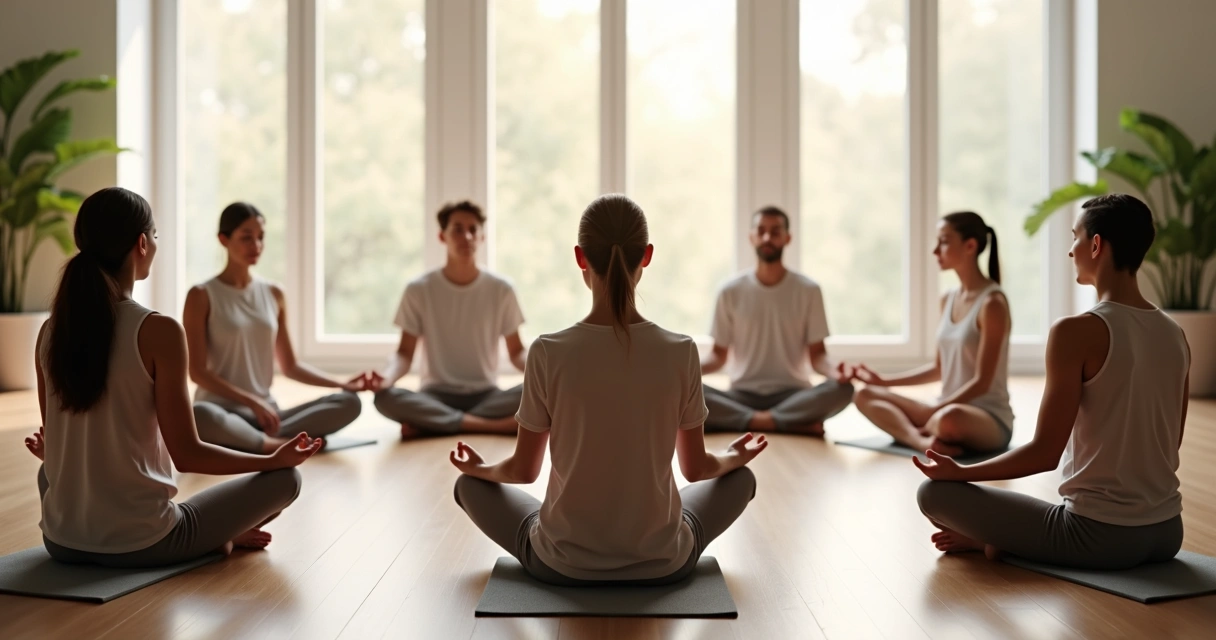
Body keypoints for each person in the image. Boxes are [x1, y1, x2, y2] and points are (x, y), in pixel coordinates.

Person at [449, 194, 766, 585]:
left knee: (468, 486)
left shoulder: (548, 351)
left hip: (561, 564)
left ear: (581, 257)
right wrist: (734, 455)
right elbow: (697, 468)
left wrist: (478, 468)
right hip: (664, 562)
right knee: (743, 478)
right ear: (646, 256)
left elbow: (523, 470)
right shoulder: (681, 351)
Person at [25, 187, 322, 569]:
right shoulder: (158, 330)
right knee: (286, 480)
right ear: (142, 244)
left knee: (49, 472)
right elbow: (187, 454)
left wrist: (59, 455)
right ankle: (217, 539)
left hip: (61, 542)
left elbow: (56, 439)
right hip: (145, 541)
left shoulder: (49, 330)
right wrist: (271, 460)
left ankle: (216, 535)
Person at [915, 194, 1188, 570]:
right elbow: (1170, 443)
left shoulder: (1075, 331)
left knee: (934, 494)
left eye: (1075, 238)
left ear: (1095, 245)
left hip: (1095, 537)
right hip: (1168, 532)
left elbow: (1045, 453)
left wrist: (961, 472)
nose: (1071, 251)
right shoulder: (1176, 334)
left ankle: (992, 546)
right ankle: (996, 543)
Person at [184, 202, 365, 454]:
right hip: (222, 410)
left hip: (269, 415)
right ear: (223, 240)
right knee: (199, 415)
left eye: (260, 238)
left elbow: (290, 366)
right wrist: (252, 402)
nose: (256, 246)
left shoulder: (274, 293)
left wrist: (343, 383)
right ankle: (277, 443)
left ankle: (258, 441)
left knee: (348, 402)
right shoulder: (201, 295)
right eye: (246, 238)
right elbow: (198, 372)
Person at [848, 211, 1014, 455]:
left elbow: (982, 383)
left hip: (985, 419)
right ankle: (921, 441)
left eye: (944, 241)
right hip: (943, 407)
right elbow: (939, 368)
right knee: (863, 394)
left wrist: (935, 411)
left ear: (970, 246)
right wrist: (885, 381)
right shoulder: (947, 299)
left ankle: (925, 429)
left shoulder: (993, 303)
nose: (935, 250)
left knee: (949, 419)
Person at [368, 201, 527, 439]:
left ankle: (436, 423)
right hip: (435, 394)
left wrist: (543, 374)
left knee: (538, 393)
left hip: (487, 394)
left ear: (482, 237)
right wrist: (387, 378)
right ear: (442, 236)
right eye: (458, 229)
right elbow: (404, 353)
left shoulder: (501, 289)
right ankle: (491, 426)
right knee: (385, 398)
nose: (467, 236)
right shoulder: (419, 289)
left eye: (474, 229)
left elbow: (517, 352)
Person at [701, 206, 854, 436]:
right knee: (684, 392)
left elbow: (817, 357)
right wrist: (684, 373)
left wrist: (836, 372)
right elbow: (718, 356)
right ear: (751, 237)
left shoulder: (808, 290)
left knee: (844, 389)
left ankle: (744, 422)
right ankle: (785, 423)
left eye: (775, 232)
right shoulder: (729, 291)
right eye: (761, 231)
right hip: (741, 395)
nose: (767, 238)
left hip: (793, 394)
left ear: (787, 238)